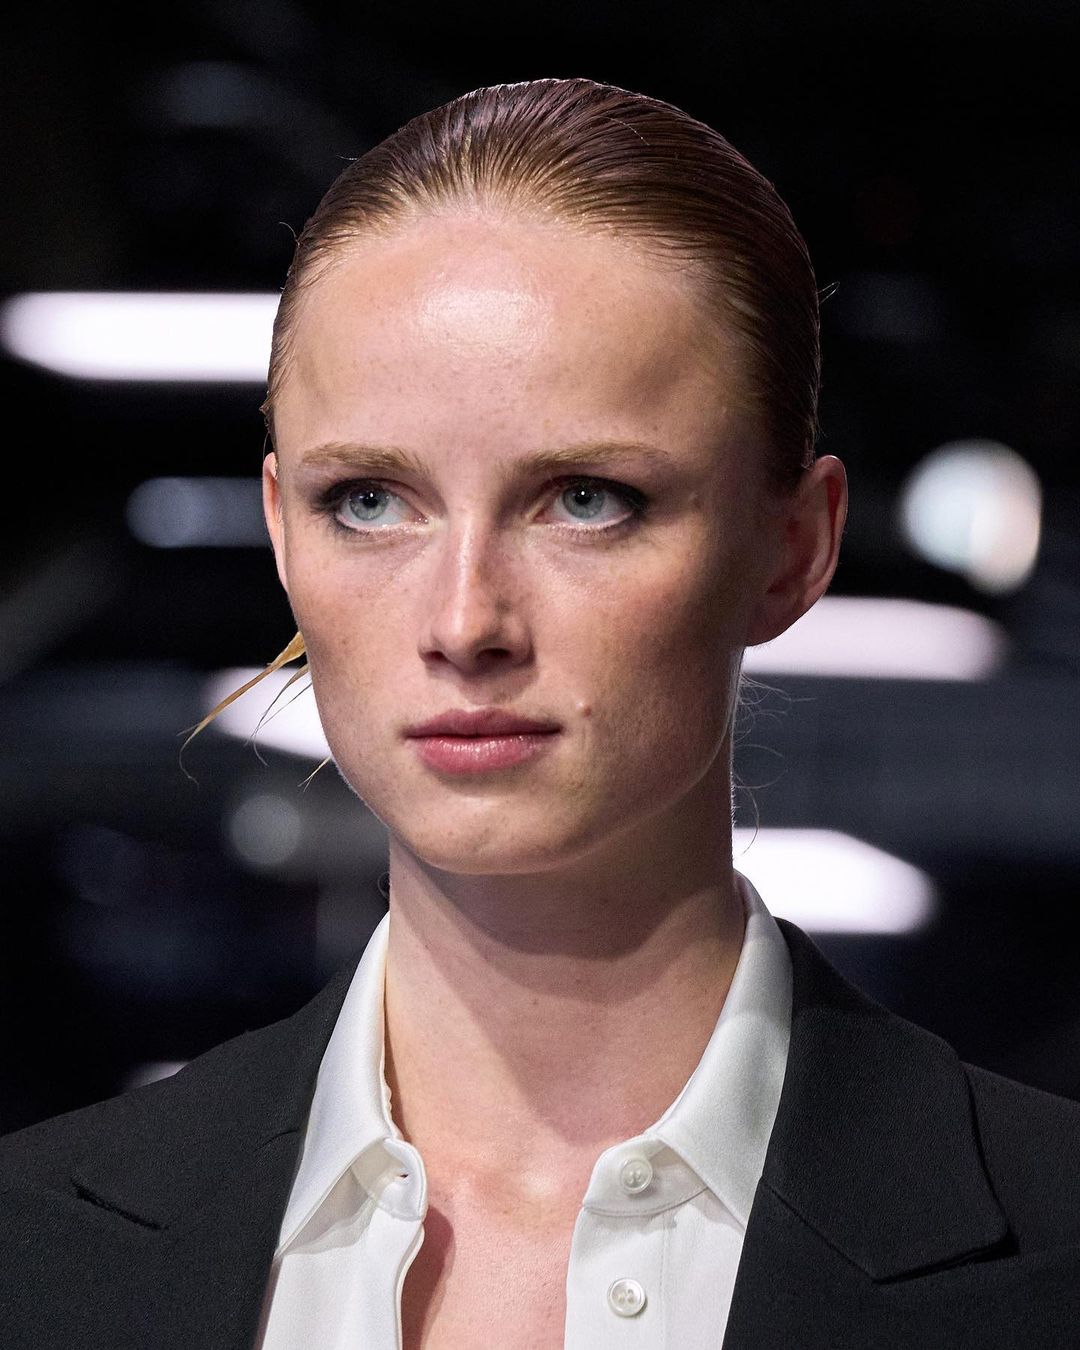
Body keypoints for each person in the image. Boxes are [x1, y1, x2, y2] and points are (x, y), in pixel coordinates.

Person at [1, 77, 1078, 1350]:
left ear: (793, 549)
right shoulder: (33, 1259)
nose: (465, 621)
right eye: (369, 501)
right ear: (282, 533)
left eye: (585, 500)